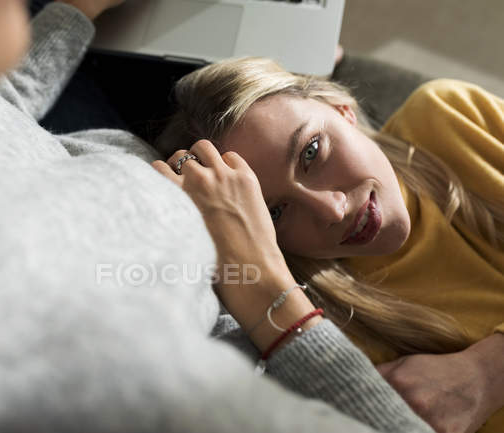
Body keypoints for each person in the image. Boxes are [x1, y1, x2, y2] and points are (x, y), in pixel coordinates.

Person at [0, 1, 435, 432]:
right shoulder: (136, 369)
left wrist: (75, 12)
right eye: (273, 211)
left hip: (68, 120)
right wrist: (261, 278)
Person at [155, 56, 504, 433]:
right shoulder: (335, 342)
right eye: (274, 212)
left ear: (342, 109)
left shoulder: (451, 119)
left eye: (311, 152)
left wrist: (486, 372)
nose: (332, 210)